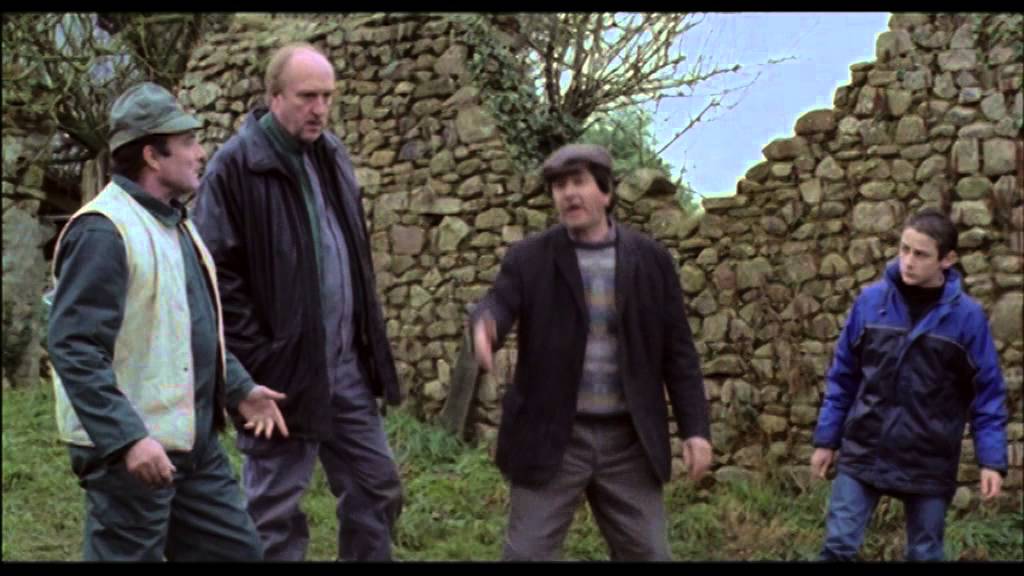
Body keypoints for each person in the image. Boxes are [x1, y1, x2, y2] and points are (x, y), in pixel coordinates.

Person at [46, 82, 289, 561]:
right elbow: (74, 347)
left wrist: (239, 388)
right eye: (188, 142)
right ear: (152, 156)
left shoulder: (174, 223)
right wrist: (128, 440)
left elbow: (187, 328)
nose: (201, 153)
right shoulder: (103, 232)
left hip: (192, 446)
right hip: (131, 456)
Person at [193, 43, 402, 561]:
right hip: (280, 374)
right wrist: (258, 361)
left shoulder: (331, 155)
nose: (320, 109)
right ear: (274, 97)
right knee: (274, 511)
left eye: (327, 96)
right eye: (307, 96)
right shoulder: (235, 168)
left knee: (377, 486)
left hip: (345, 369)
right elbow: (214, 279)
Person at [469, 143, 712, 561]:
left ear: (605, 191)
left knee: (650, 554)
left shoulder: (651, 261)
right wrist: (486, 325)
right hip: (552, 436)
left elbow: (679, 352)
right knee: (526, 555)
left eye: (579, 182)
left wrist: (696, 430)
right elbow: (499, 303)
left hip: (628, 441)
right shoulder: (529, 258)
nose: (569, 194)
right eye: (559, 186)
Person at [810, 207, 1009, 561]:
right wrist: (827, 440)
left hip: (929, 459)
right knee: (838, 548)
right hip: (864, 449)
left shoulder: (967, 319)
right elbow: (843, 377)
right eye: (904, 249)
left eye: (920, 254)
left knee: (925, 554)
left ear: (947, 259)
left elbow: (987, 395)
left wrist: (991, 461)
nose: (908, 261)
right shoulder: (870, 304)